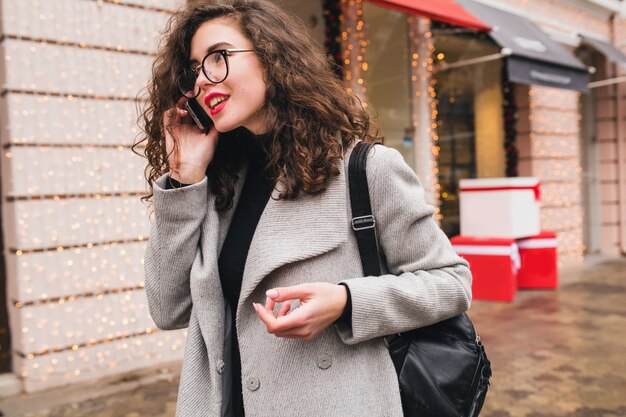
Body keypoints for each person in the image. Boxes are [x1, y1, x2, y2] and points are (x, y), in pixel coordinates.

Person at [136, 0, 473, 416]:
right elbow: (169, 309)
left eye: (218, 57)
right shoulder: (220, 182)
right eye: (194, 68)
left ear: (272, 56)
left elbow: (452, 283)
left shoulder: (365, 169)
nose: (202, 80)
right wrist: (185, 179)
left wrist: (346, 302)